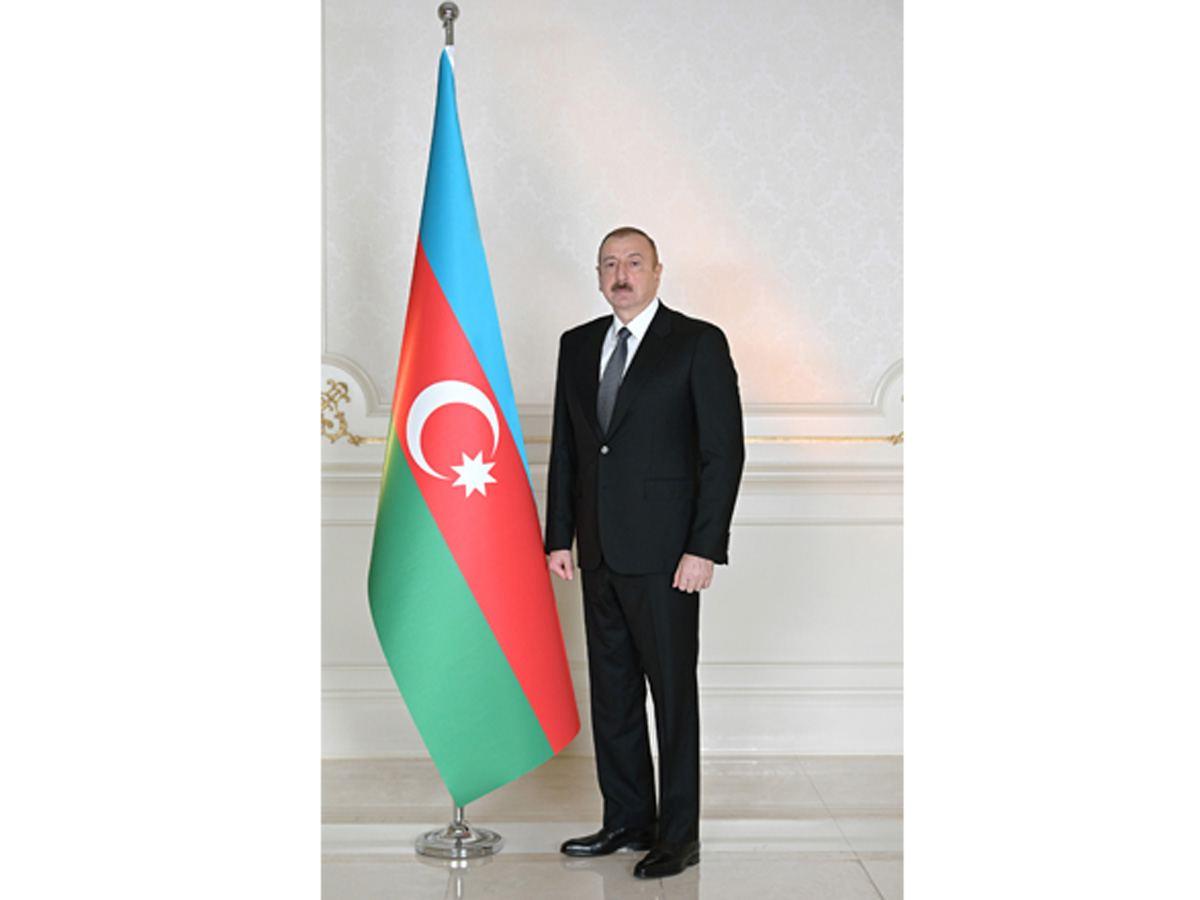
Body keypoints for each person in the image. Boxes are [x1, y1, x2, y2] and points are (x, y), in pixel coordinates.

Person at [545, 226, 745, 879]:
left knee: (672, 696)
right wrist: (558, 536)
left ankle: (678, 836)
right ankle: (627, 819)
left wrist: (703, 548)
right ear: (598, 275)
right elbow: (569, 449)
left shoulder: (697, 343)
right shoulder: (577, 345)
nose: (621, 274)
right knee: (613, 694)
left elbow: (722, 453)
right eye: (609, 264)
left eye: (634, 262)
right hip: (597, 551)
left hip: (667, 556)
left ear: (658, 272)